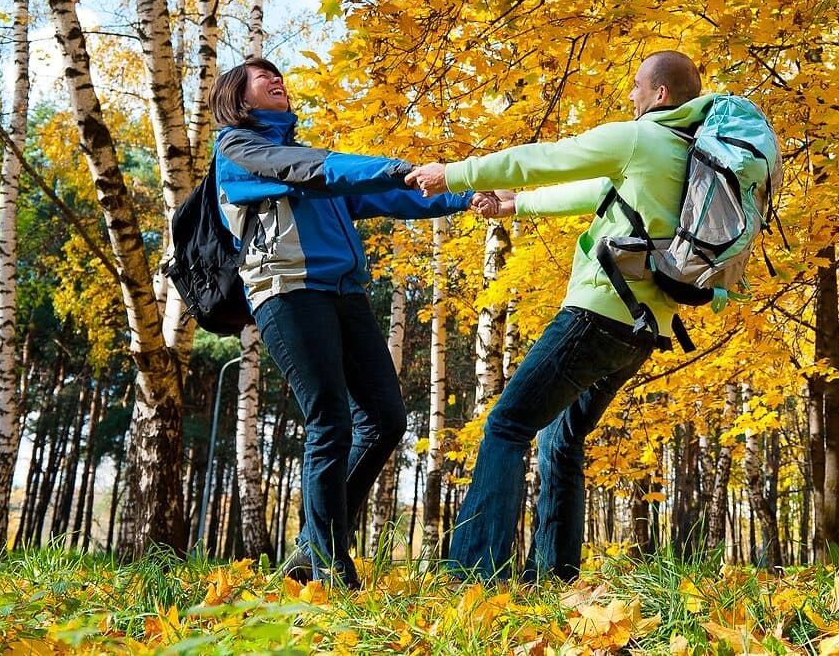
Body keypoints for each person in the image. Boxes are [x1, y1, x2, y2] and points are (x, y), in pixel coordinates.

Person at [406, 50, 705, 581]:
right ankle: (555, 575)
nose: (631, 96)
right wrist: (513, 207)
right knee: (560, 437)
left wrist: (453, 174)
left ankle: (474, 575)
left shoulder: (640, 137)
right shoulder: (687, 153)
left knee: (507, 424)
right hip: (642, 332)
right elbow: (597, 193)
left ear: (660, 94)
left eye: (637, 86)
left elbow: (544, 158)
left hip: (596, 316)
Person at [209, 57, 476, 588]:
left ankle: (312, 548)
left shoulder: (304, 159)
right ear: (238, 98)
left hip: (344, 294)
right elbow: (314, 170)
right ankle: (330, 569)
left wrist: (469, 195)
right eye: (264, 78)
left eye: (279, 76)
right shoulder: (239, 150)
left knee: (384, 418)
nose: (278, 80)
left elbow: (387, 196)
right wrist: (395, 163)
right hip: (287, 292)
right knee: (329, 420)